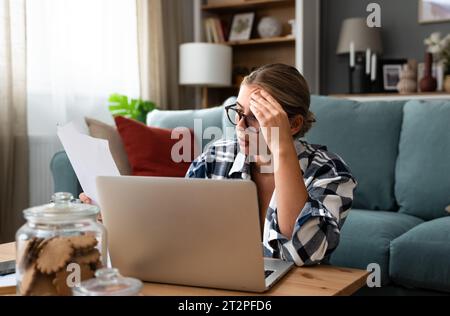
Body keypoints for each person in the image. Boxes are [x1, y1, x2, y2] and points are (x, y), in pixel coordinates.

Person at [81, 63, 356, 267]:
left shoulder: (330, 171)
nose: (239, 126)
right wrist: (116, 219)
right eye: (238, 113)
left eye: (256, 118)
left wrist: (282, 149)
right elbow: (176, 230)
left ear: (294, 124)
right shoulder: (215, 159)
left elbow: (304, 253)